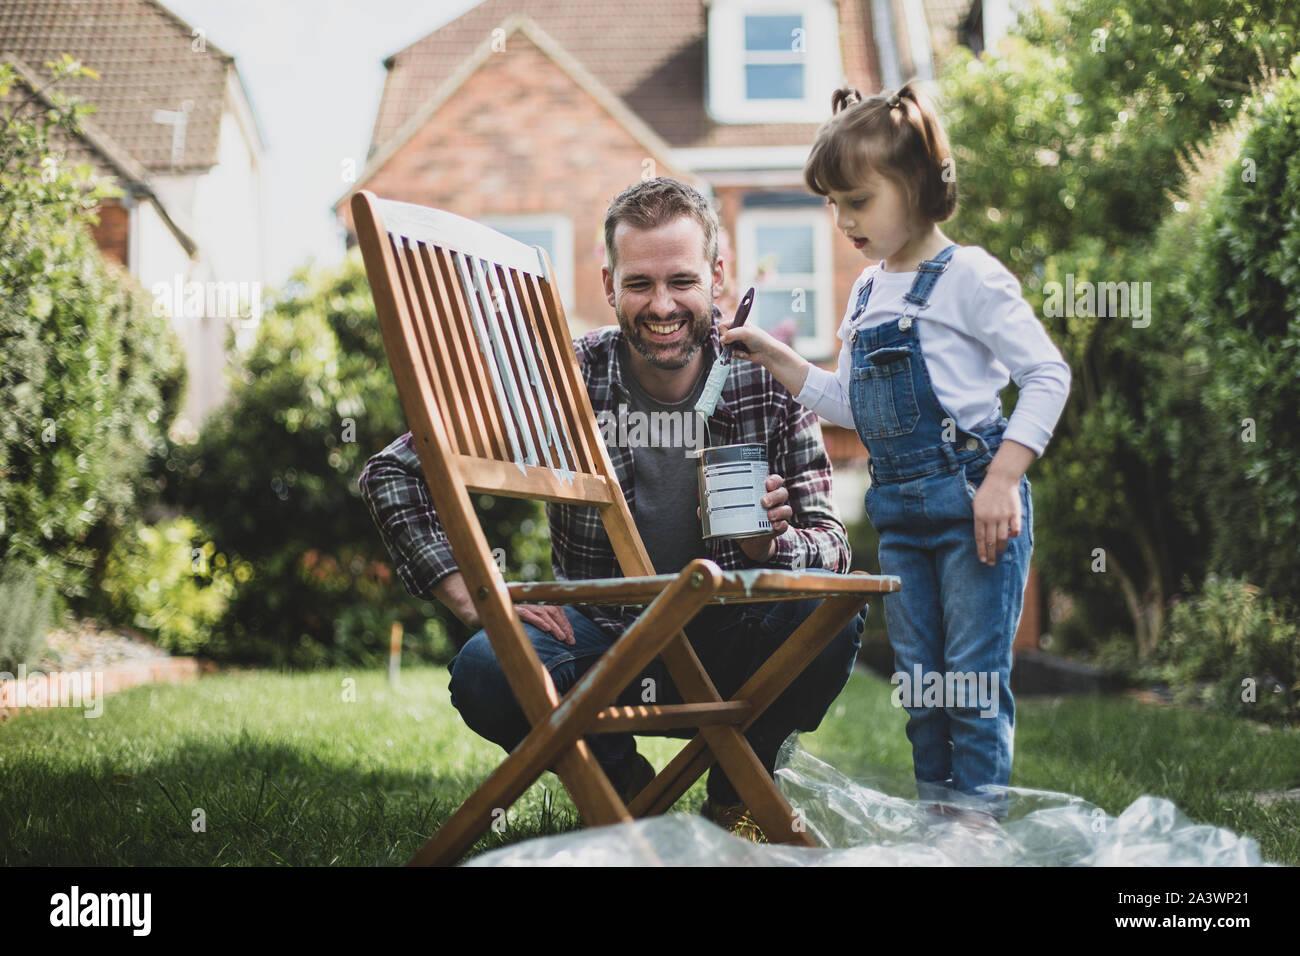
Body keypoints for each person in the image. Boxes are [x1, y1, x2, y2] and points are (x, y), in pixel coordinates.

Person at [360, 177, 863, 840]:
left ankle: (740, 790)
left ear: (717, 277)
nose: (661, 306)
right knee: (487, 671)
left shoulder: (768, 377)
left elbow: (832, 544)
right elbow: (392, 472)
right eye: (639, 284)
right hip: (604, 641)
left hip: (729, 642)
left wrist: (770, 549)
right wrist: (473, 596)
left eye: (681, 281)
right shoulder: (563, 380)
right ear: (608, 284)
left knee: (830, 613)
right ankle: (623, 791)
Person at [721, 85, 1071, 821]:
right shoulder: (867, 291)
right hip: (903, 517)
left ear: (914, 187)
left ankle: (974, 831)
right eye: (834, 205)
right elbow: (853, 407)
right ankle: (940, 824)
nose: (842, 221)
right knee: (923, 685)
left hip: (976, 507)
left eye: (856, 201)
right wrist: (770, 354)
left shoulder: (971, 277)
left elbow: (1047, 374)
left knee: (970, 682)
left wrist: (1004, 478)